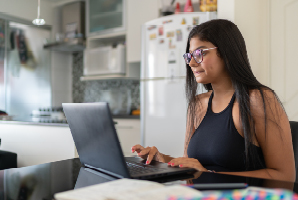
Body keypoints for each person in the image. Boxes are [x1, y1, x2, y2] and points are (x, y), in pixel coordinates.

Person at [132, 19, 296, 182]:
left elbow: (284, 178)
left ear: (227, 52)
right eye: (189, 55)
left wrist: (208, 174)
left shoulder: (258, 100)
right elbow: (191, 168)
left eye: (200, 53)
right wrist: (162, 160)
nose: (191, 62)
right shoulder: (197, 105)